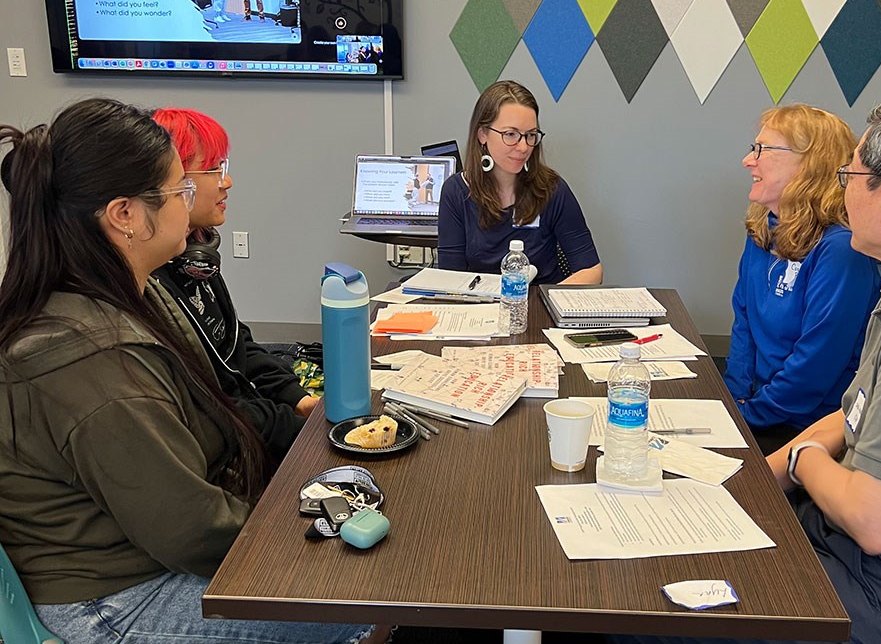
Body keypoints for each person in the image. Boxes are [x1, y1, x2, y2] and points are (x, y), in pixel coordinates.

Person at [616, 92, 881, 644]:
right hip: (851, 547)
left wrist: (800, 460)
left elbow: (873, 521)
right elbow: (851, 418)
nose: (840, 187)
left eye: (851, 173)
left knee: (640, 617)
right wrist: (753, 481)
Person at [0, 99, 376, 644]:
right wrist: (309, 532)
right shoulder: (89, 360)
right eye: (180, 190)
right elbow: (189, 529)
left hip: (157, 544)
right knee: (362, 589)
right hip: (120, 596)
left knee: (358, 490)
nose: (191, 200)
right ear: (125, 214)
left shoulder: (133, 292)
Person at [151, 108, 318, 461]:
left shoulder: (196, 260)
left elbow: (236, 343)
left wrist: (296, 397)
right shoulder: (152, 286)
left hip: (256, 420)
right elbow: (214, 405)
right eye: (213, 170)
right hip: (235, 442)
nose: (226, 182)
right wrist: (303, 433)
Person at [724, 104, 881, 453]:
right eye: (754, 148)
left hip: (807, 430)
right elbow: (744, 323)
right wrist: (731, 403)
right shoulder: (764, 229)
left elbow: (815, 366)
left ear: (810, 164)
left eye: (762, 150)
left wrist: (748, 417)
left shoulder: (841, 250)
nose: (748, 161)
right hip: (756, 412)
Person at [437, 80, 602, 285]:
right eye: (511, 134)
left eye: (530, 135)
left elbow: (591, 270)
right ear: (483, 135)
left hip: (541, 304)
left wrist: (547, 302)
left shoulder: (552, 189)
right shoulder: (456, 192)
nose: (523, 147)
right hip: (480, 309)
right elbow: (449, 279)